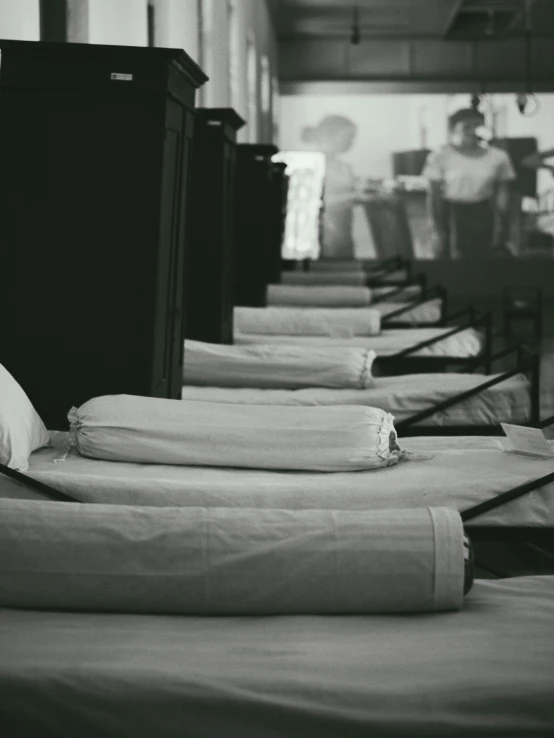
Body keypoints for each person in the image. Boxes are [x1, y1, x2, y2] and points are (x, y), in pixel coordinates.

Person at [422, 107, 516, 259]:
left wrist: (502, 224)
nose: (473, 131)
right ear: (454, 129)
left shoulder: (499, 157)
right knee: (452, 262)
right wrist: (437, 227)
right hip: (452, 214)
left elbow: (503, 194)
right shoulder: (440, 156)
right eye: (467, 127)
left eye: (478, 126)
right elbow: (434, 195)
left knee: (484, 261)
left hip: (484, 213)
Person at [302, 115, 358, 259]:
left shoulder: (345, 167)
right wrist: (354, 196)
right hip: (323, 235)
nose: (351, 142)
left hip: (343, 234)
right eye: (348, 137)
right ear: (331, 135)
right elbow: (313, 203)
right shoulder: (310, 165)